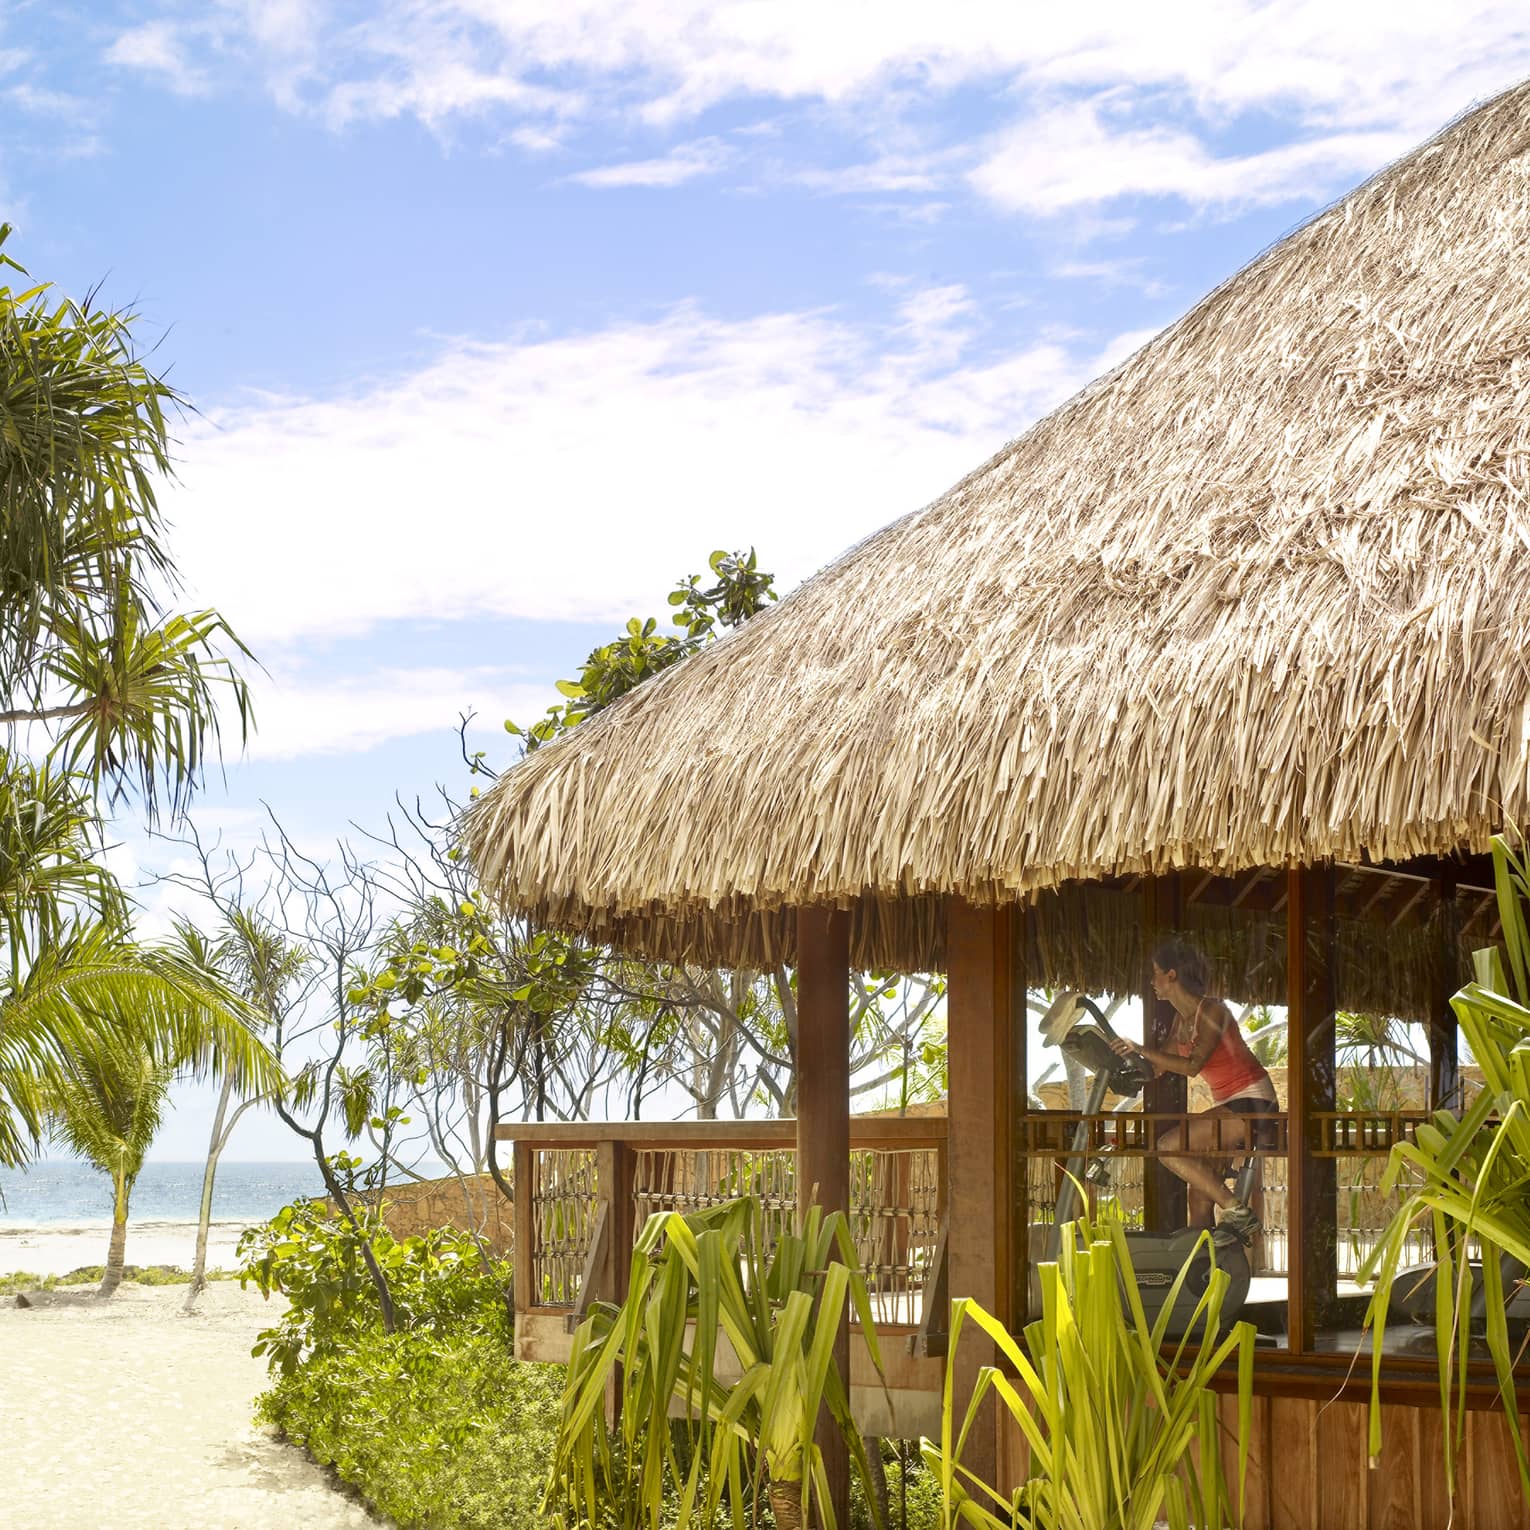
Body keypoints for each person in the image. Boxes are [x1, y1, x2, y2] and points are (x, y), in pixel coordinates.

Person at [1108, 938, 1276, 1244]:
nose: (1152, 981)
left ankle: (1236, 1210)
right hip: (1230, 1104)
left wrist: (1141, 1047)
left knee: (1168, 1146)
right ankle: (1203, 1271)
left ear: (1172, 976)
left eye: (1155, 973)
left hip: (1254, 1102)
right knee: (1199, 1196)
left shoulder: (1213, 1011)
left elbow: (1192, 1066)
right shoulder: (1180, 1021)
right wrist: (1121, 1062)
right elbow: (1158, 1067)